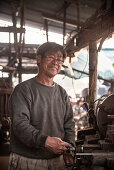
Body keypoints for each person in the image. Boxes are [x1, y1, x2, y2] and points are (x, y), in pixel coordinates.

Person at [8, 42, 75, 170]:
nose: (56, 62)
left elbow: (69, 125)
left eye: (59, 59)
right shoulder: (23, 90)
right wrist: (45, 141)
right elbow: (20, 124)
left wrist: (69, 150)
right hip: (27, 160)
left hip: (57, 161)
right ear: (39, 58)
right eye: (51, 57)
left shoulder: (62, 93)